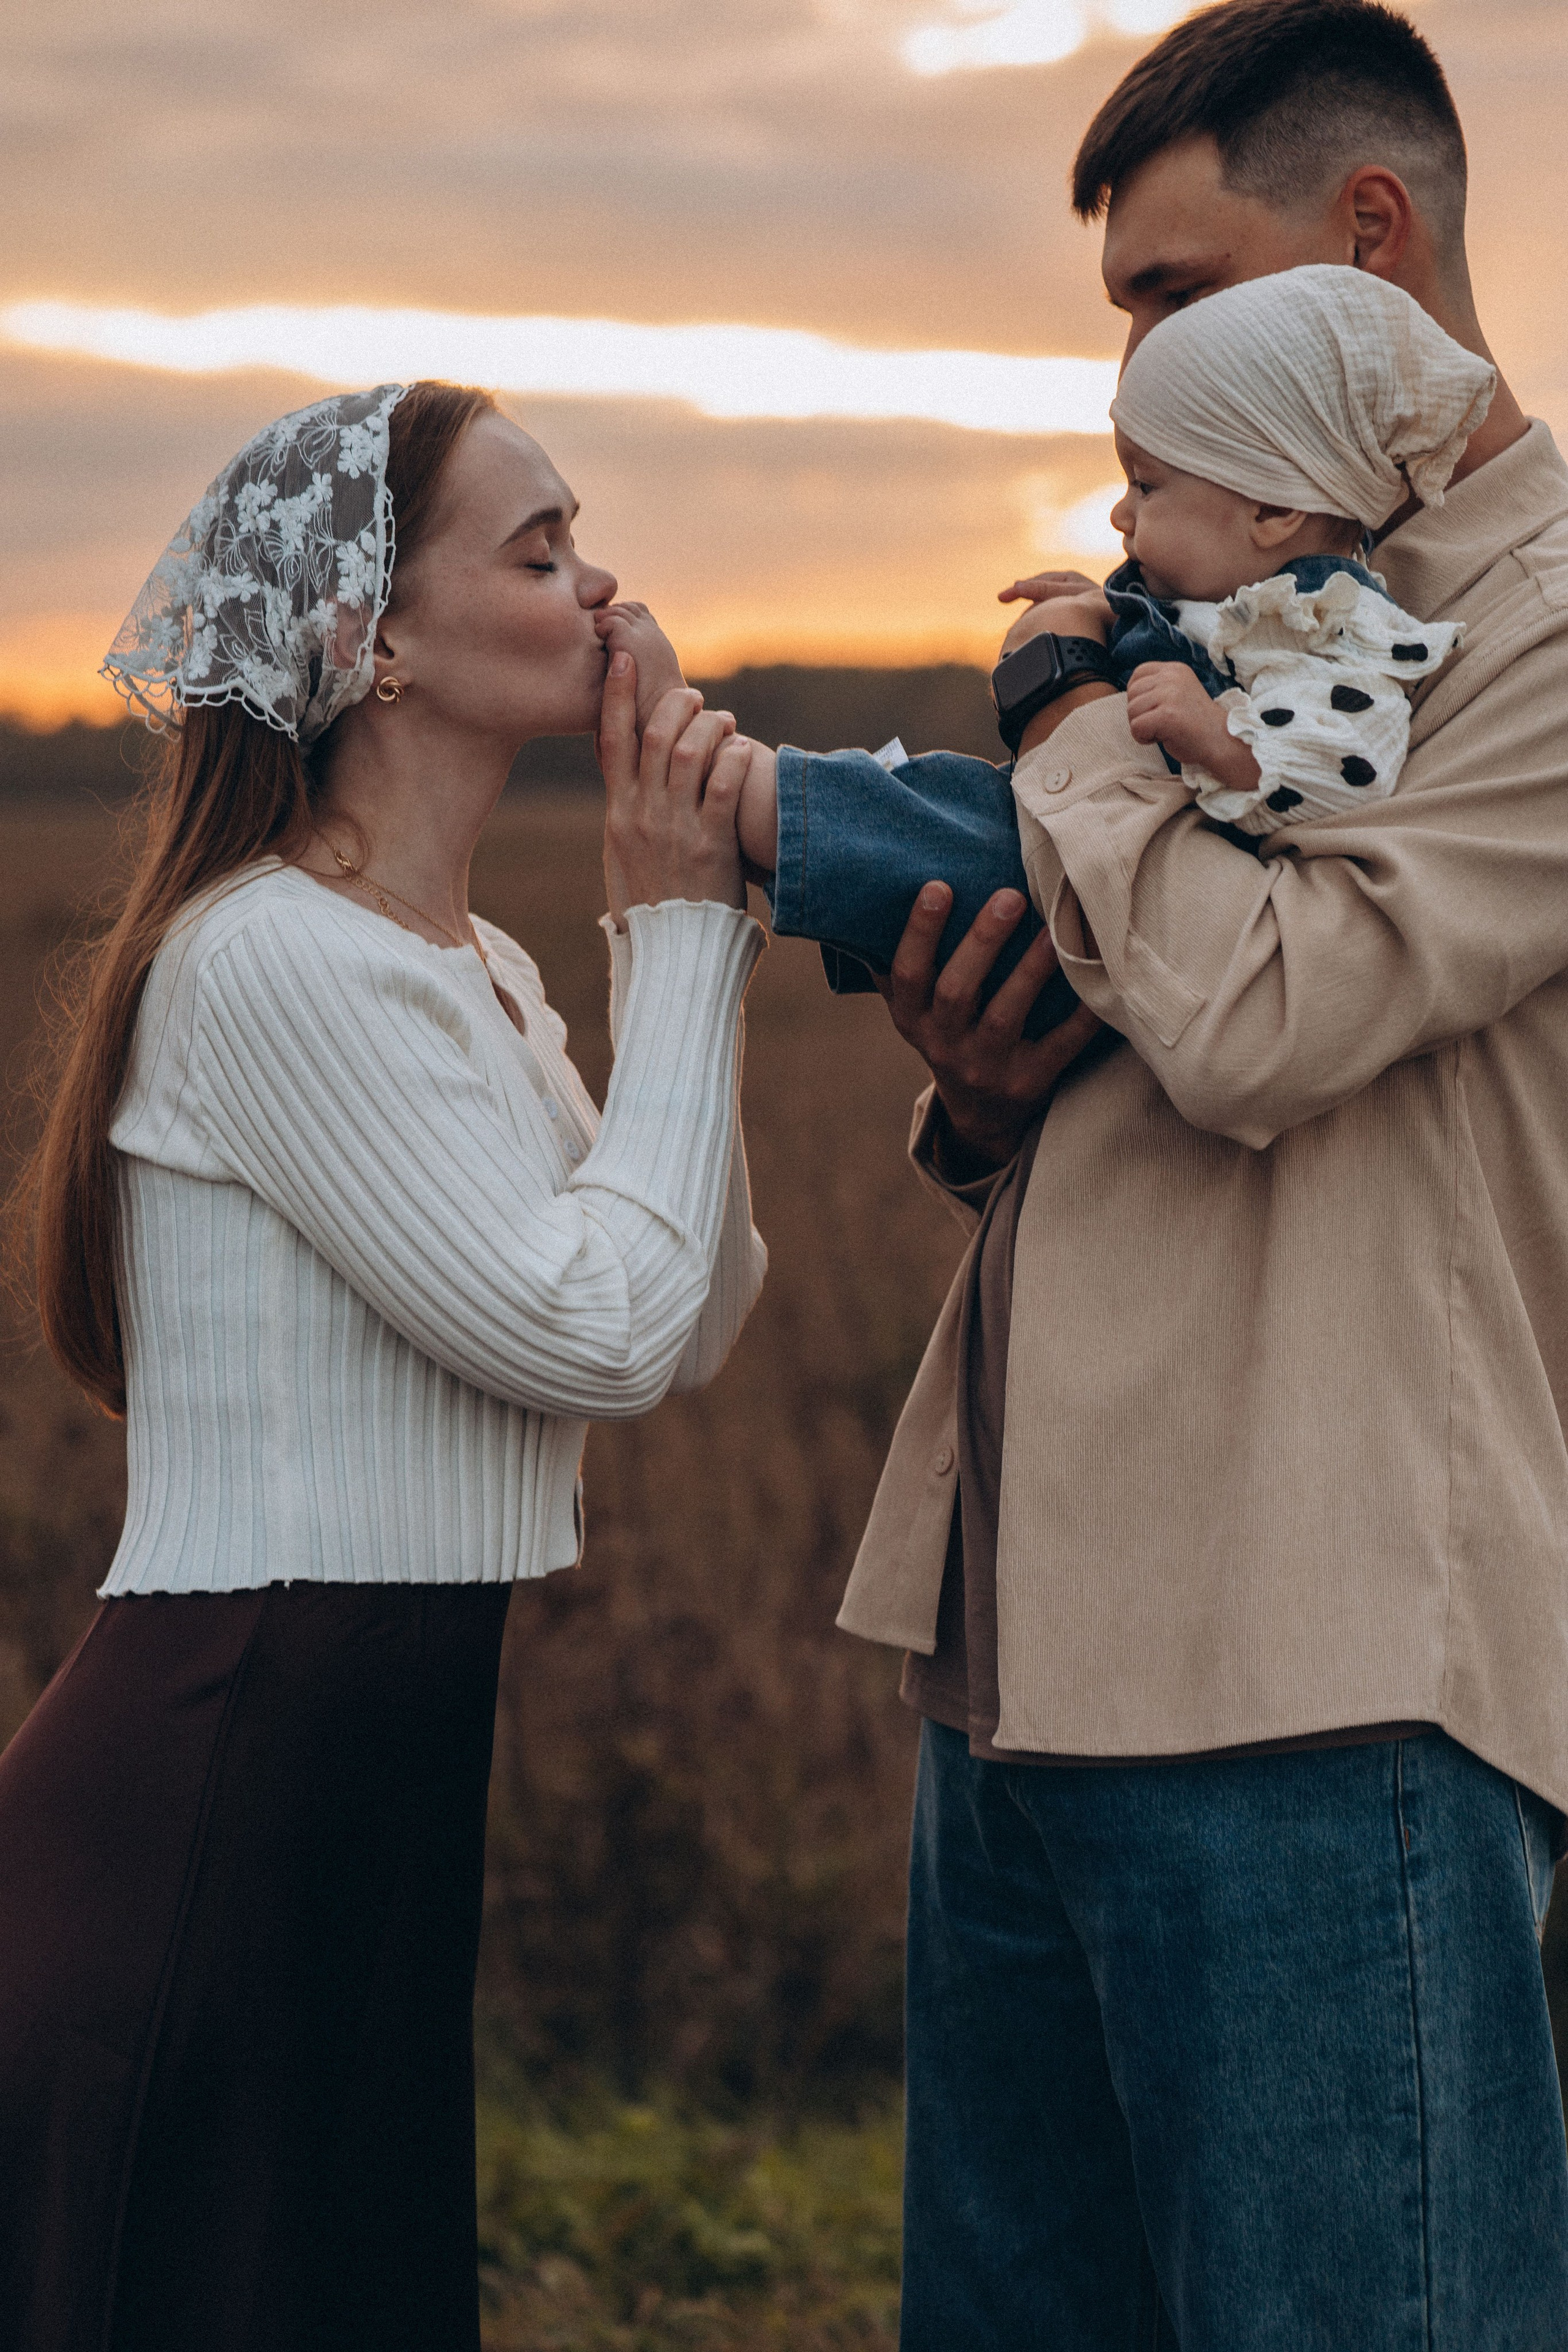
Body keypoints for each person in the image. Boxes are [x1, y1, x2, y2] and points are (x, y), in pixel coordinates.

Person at [774, 2, 1568, 2344]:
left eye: (1174, 292)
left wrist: (1063, 735)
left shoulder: (1537, 620)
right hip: (1021, 1664)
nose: (1136, 364)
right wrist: (987, 1094)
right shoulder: (1221, 580)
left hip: (1320, 1680)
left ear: (1369, 232)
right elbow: (1181, 1029)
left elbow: (1250, 1021)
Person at [0, 379, 765, 2352]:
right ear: (373, 637)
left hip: (367, 1799)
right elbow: (599, 1325)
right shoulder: (268, 960)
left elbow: (693, 1309)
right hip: (217, 1793)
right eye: (539, 549)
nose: (602, 588)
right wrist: (681, 937)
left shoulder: (468, 969)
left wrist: (672, 943)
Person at [726, 263, 1493, 973]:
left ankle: (751, 802)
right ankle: (761, 820)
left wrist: (1222, 738)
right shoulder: (1222, 602)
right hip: (1090, 873)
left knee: (965, 836)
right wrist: (1102, 607)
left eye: (1146, 485)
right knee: (947, 805)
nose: (1121, 514)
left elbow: (1350, 765)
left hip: (1146, 918)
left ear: (1271, 509)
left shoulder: (1330, 626)